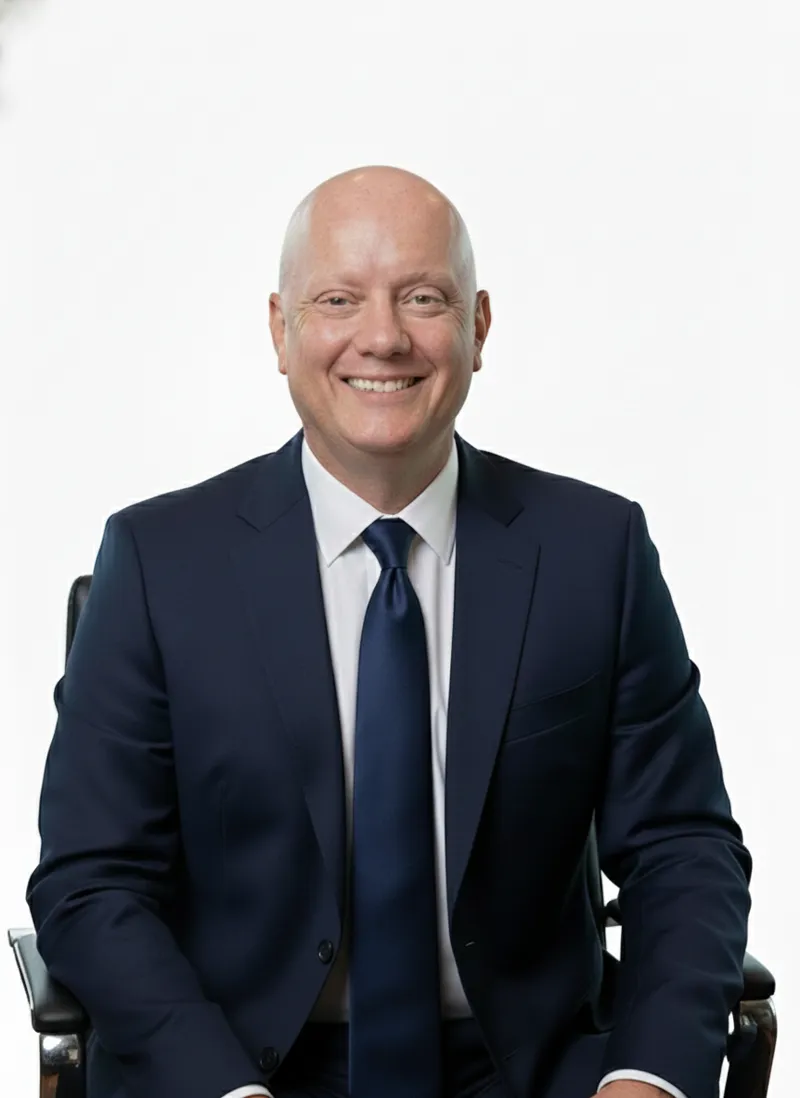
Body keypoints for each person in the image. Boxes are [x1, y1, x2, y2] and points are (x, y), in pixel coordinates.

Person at [27, 165, 752, 1098]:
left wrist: (647, 1077)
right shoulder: (160, 565)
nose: (383, 337)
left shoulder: (594, 554)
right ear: (280, 330)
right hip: (237, 1067)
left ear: (478, 327)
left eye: (423, 298)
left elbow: (683, 848)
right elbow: (91, 884)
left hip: (530, 1070)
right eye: (338, 299)